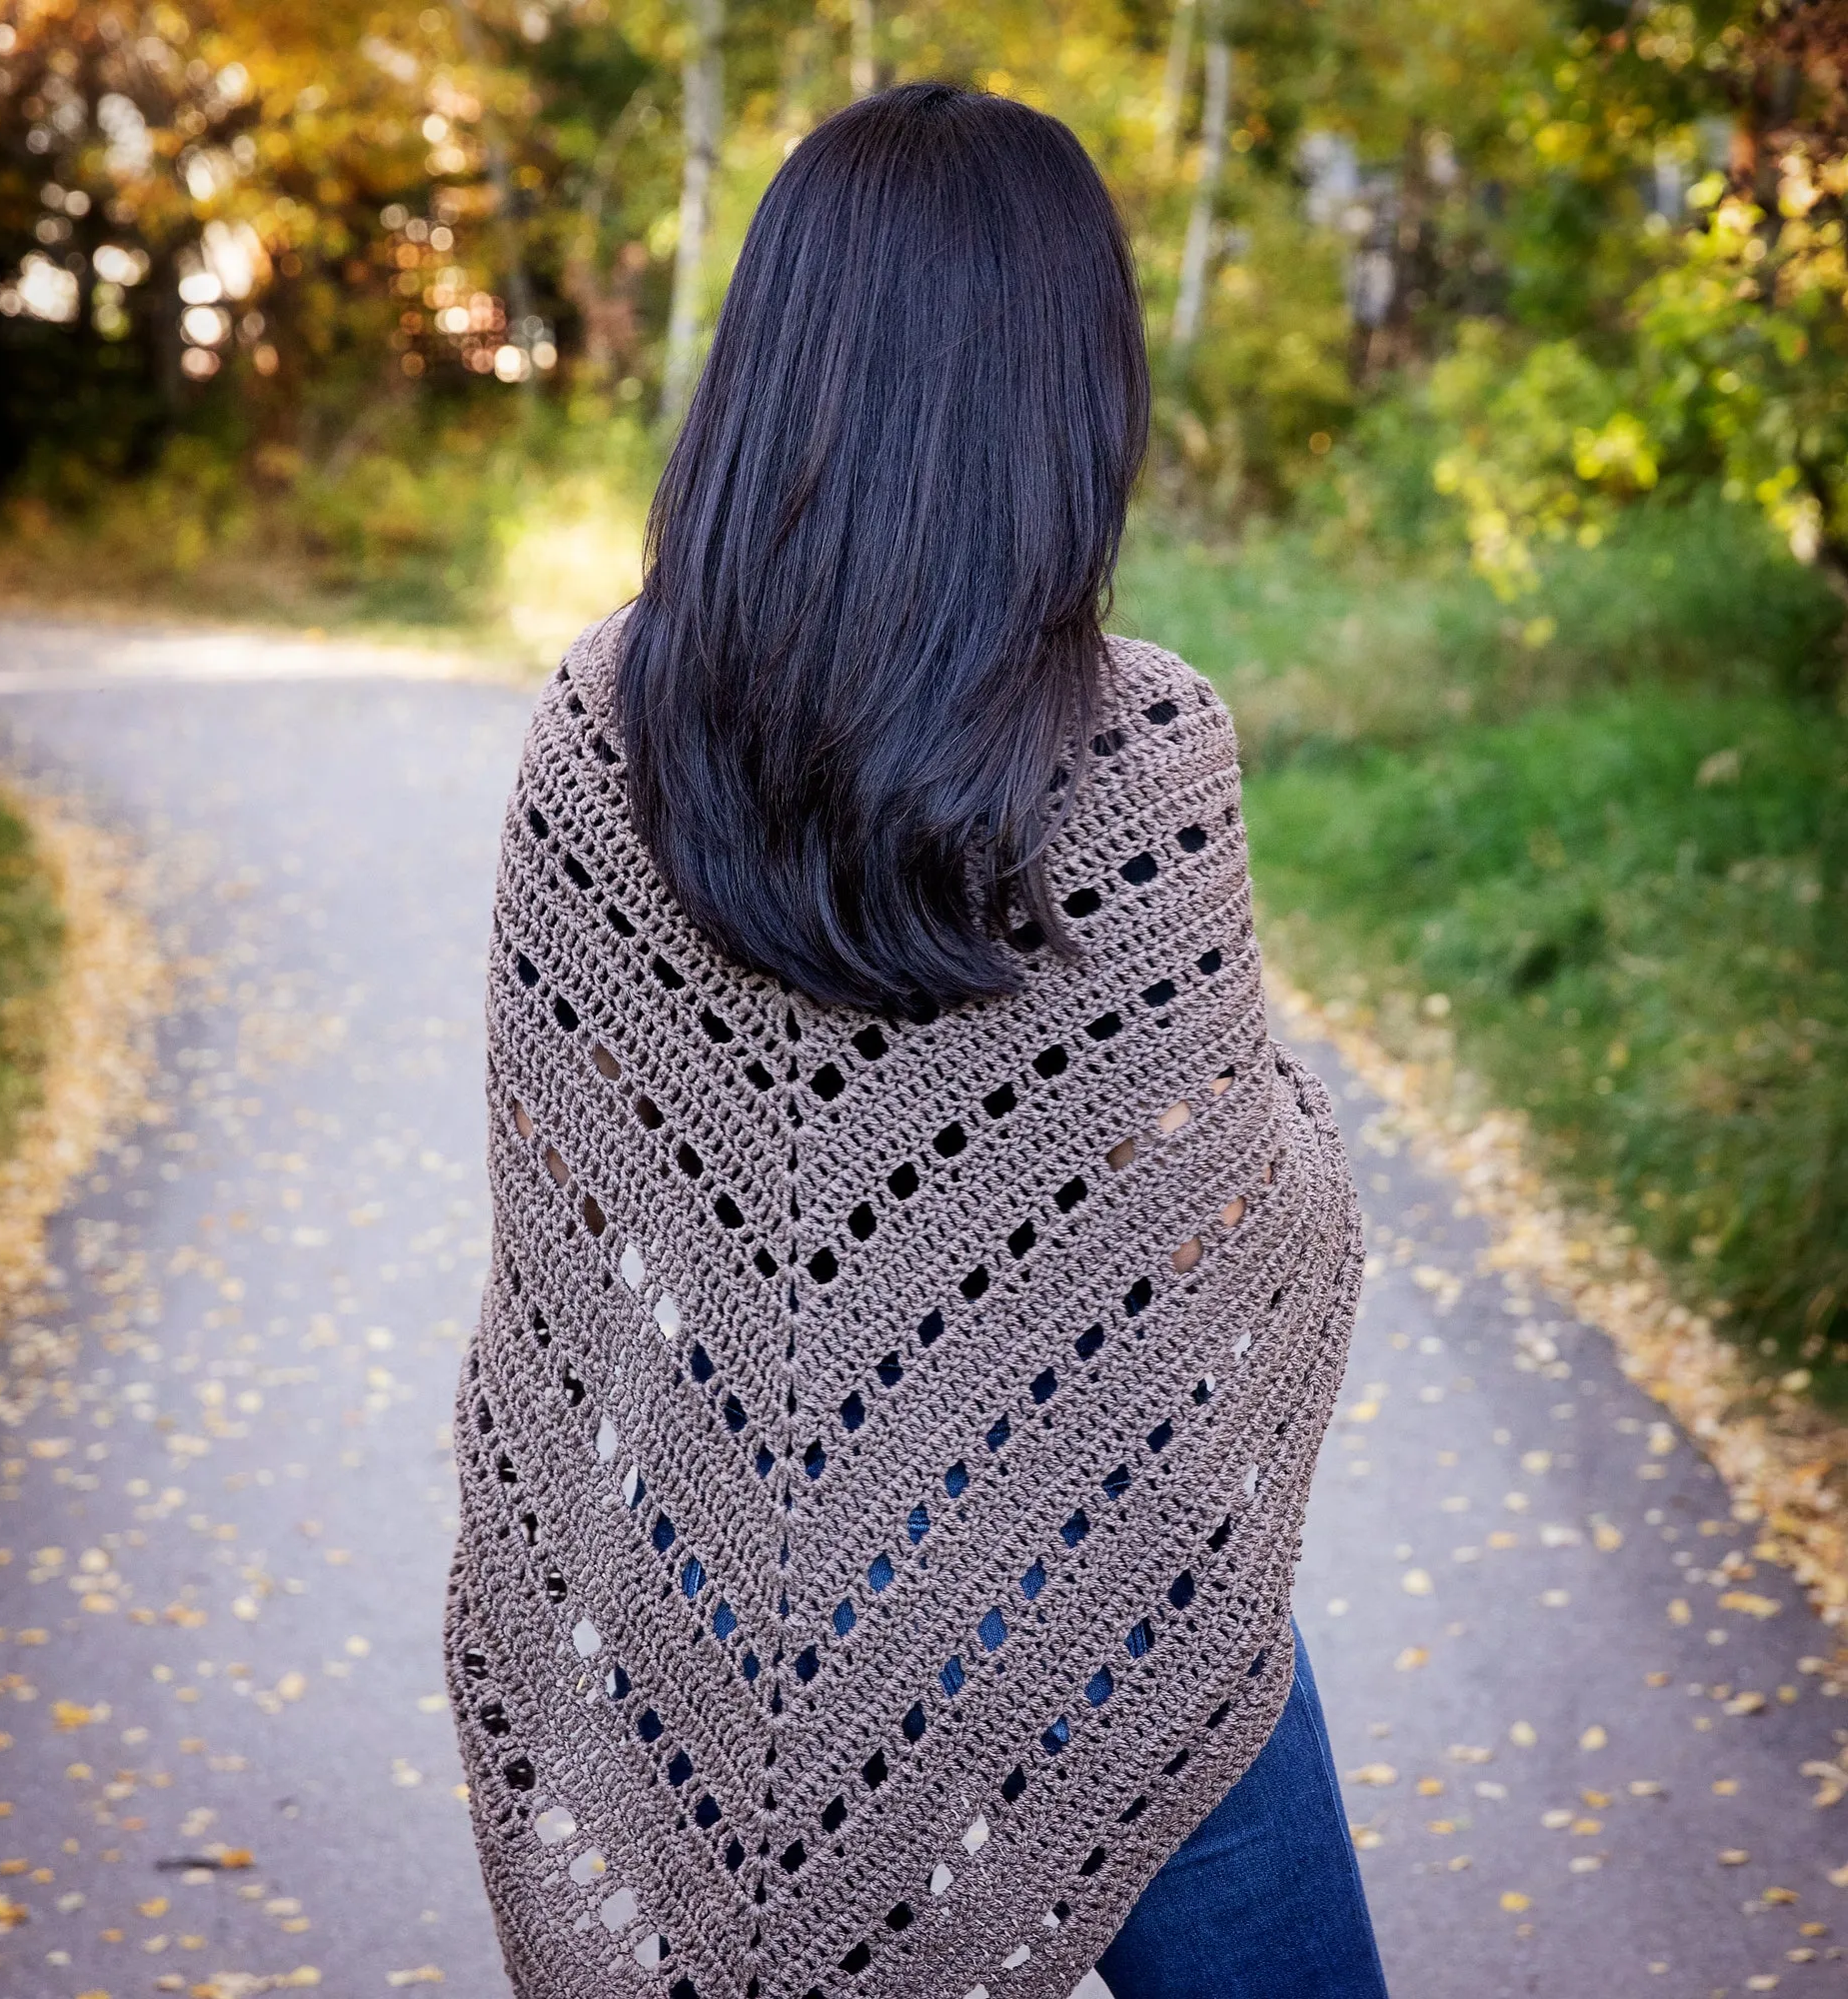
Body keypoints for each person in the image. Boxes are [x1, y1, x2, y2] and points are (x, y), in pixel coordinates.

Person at [447, 81, 1387, 1999]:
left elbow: (559, 1201)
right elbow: (1229, 1207)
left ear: (778, 364)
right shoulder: (1142, 741)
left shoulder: (599, 728)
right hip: (1095, 1574)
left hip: (702, 1573)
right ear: (1069, 401)